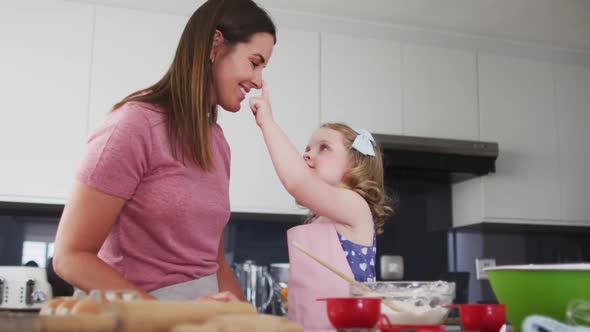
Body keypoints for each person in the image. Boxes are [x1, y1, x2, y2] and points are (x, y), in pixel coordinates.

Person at [52, 0, 276, 301]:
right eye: (255, 61)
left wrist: (248, 321)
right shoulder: (134, 125)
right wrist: (168, 318)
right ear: (215, 46)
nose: (259, 81)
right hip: (139, 319)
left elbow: (216, 264)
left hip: (198, 320)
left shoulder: (218, 143)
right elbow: (71, 257)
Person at [250, 84, 394, 328]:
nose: (306, 154)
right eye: (307, 149)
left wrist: (267, 123)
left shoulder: (355, 206)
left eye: (323, 148)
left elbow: (296, 181)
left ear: (354, 165)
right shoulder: (320, 218)